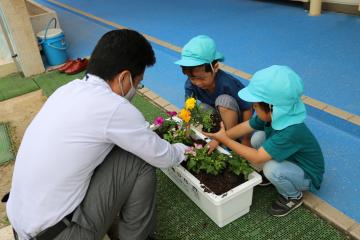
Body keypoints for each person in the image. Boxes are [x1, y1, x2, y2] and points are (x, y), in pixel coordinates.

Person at [6, 29, 188, 240]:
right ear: (124, 77)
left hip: (24, 229)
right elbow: (163, 156)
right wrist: (184, 150)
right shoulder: (114, 107)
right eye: (138, 84)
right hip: (61, 234)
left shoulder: (67, 90)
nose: (136, 90)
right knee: (139, 160)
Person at [204, 65, 325, 217]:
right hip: (291, 159)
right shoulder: (277, 115)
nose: (253, 107)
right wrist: (220, 138)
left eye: (256, 105)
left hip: (307, 175)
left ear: (271, 108)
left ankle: (293, 196)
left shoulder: (291, 131)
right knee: (258, 137)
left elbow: (257, 157)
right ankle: (278, 177)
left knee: (271, 168)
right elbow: (245, 126)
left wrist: (226, 141)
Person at [174, 35, 252, 146]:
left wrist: (246, 139)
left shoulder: (227, 83)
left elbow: (247, 108)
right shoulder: (190, 85)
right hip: (219, 117)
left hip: (237, 120)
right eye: (192, 78)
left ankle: (231, 140)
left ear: (215, 68)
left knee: (223, 100)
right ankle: (216, 133)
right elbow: (188, 109)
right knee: (201, 107)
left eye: (201, 78)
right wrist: (185, 130)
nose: (197, 83)